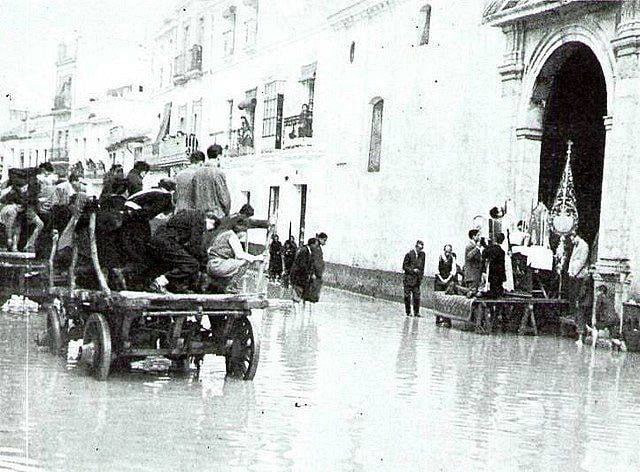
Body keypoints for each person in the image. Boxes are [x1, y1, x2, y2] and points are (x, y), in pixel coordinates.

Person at [148, 209, 216, 293]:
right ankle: (159, 282)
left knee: (182, 262)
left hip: (159, 240)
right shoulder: (199, 219)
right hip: (167, 241)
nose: (206, 231)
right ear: (210, 219)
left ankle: (173, 287)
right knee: (192, 265)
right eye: (210, 229)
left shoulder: (188, 214)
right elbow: (195, 245)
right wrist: (204, 263)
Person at [205, 221, 264, 293]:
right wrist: (257, 257)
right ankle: (231, 286)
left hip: (211, 265)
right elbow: (240, 254)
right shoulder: (232, 235)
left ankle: (217, 287)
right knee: (245, 262)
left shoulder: (222, 234)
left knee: (233, 263)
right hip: (218, 265)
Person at [191, 144, 231, 218]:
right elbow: (224, 198)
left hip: (200, 216)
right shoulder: (218, 173)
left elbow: (193, 196)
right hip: (216, 216)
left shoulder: (196, 173)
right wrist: (227, 213)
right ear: (219, 157)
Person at [566, 231, 590, 342]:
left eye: (572, 238)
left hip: (579, 276)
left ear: (577, 236)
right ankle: (576, 325)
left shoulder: (584, 246)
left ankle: (580, 329)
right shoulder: (576, 245)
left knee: (578, 300)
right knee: (573, 298)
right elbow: (572, 260)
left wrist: (574, 272)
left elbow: (581, 261)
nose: (571, 241)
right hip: (574, 275)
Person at [290, 238, 320, 305]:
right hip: (298, 276)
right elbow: (302, 265)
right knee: (297, 295)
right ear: (311, 244)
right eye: (316, 245)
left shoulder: (308, 251)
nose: (316, 247)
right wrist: (309, 273)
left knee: (300, 294)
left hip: (301, 277)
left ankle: (298, 309)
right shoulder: (304, 251)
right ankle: (296, 312)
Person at [402, 240, 425, 317]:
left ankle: (416, 312)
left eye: (421, 248)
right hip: (408, 279)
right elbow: (404, 266)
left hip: (417, 280)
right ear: (416, 246)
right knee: (407, 297)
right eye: (419, 248)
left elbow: (422, 267)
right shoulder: (409, 254)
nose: (420, 250)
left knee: (417, 297)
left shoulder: (423, 255)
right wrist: (413, 270)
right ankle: (408, 312)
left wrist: (421, 277)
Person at [482, 233, 506, 298]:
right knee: (498, 292)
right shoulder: (502, 251)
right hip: (500, 273)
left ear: (495, 239)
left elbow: (484, 254)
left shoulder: (490, 249)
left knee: (492, 292)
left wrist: (484, 244)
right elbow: (503, 265)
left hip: (492, 272)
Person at [307, 232, 327, 303]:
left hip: (317, 273)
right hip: (314, 274)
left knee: (313, 295)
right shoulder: (315, 247)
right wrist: (312, 273)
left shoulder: (318, 247)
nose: (325, 243)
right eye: (324, 240)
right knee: (311, 294)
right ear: (320, 239)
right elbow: (313, 261)